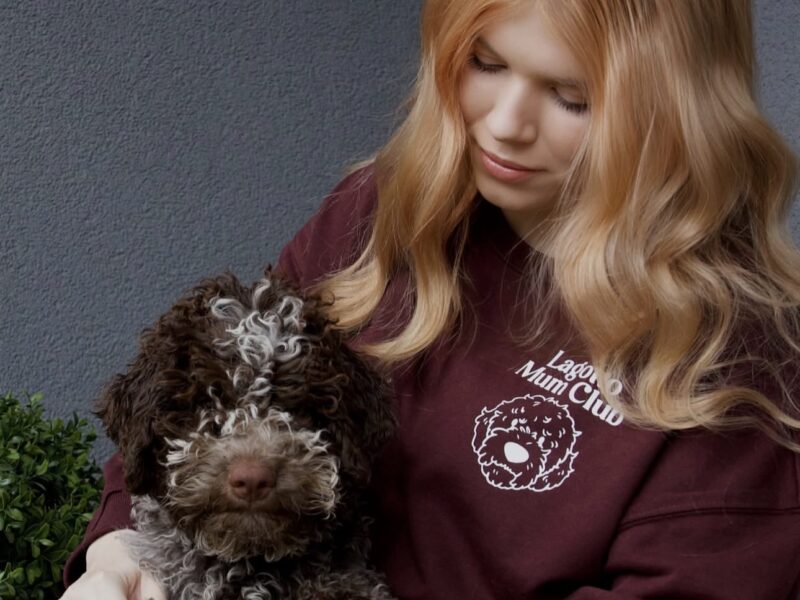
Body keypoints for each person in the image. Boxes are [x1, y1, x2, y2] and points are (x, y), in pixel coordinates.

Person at [62, 0, 800, 598]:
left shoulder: (735, 358)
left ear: (678, 113)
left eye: (573, 98)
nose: (506, 124)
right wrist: (119, 548)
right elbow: (209, 393)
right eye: (486, 63)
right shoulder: (378, 213)